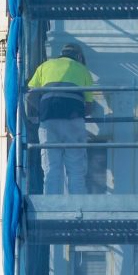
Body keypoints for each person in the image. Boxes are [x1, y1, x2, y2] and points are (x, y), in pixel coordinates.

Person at [27, 43, 94, 194]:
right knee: (76, 170)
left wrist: (41, 111)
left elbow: (30, 96)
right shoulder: (83, 70)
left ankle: (51, 204)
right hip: (73, 122)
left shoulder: (45, 66)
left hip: (49, 122)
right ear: (78, 57)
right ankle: (78, 206)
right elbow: (89, 107)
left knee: (51, 168)